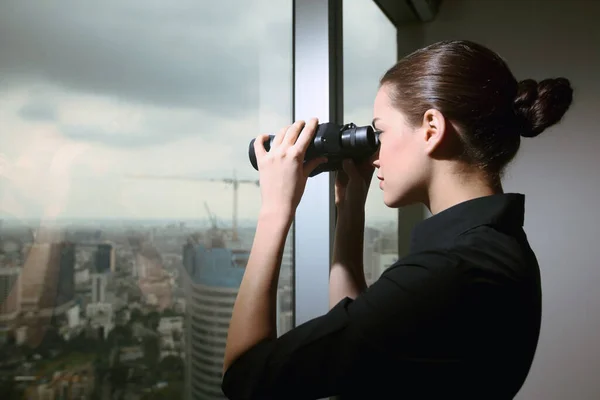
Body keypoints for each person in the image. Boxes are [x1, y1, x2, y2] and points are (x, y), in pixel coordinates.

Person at [220, 40, 573, 400]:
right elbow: (366, 335)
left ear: (432, 129)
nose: (375, 154)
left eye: (380, 132)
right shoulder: (493, 247)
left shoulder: (448, 273)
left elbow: (245, 375)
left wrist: (276, 209)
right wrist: (350, 209)